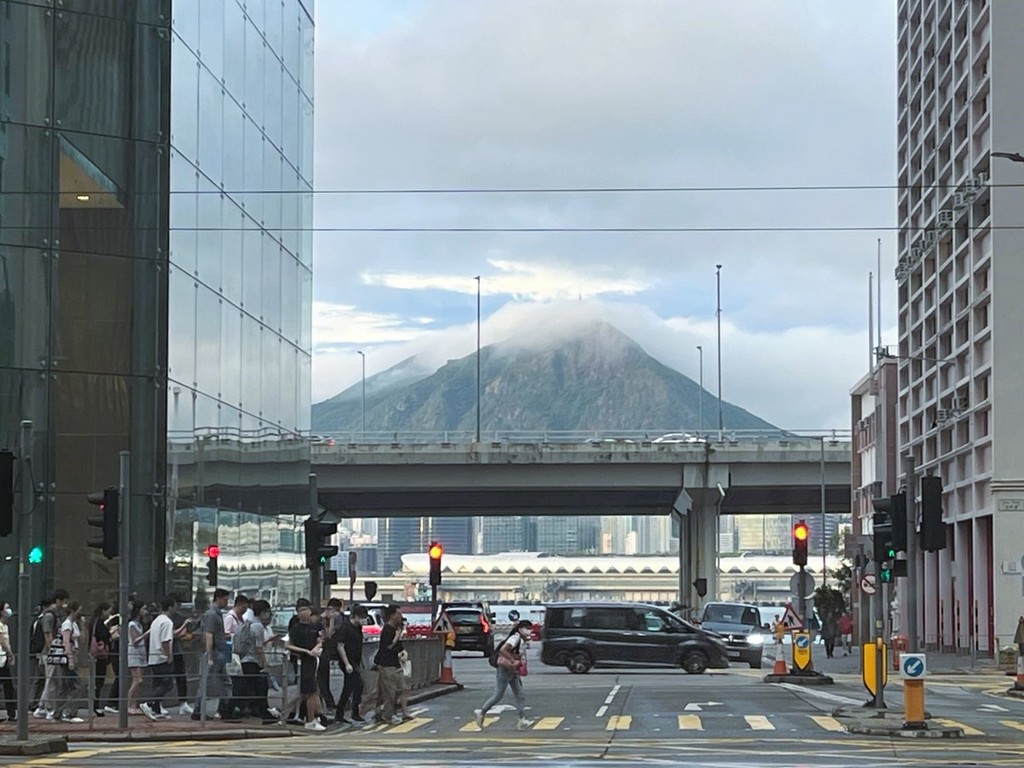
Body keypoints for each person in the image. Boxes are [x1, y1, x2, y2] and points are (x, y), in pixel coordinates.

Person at [474, 620, 536, 731]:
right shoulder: (515, 638)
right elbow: (503, 650)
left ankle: (521, 719)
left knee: (520, 694)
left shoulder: (521, 640)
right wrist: (512, 660)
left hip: (513, 670)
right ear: (520, 629)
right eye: (527, 628)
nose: (529, 631)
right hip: (505, 669)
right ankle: (482, 711)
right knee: (498, 694)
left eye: (530, 628)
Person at [284, 598, 325, 731]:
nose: (304, 612)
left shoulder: (314, 626)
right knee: (308, 693)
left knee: (308, 693)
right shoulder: (296, 629)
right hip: (303, 662)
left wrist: (317, 647)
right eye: (301, 610)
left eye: (306, 609)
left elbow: (320, 639)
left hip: (313, 661)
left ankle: (289, 717)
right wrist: (305, 651)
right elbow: (288, 645)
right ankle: (310, 720)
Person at [192, 588, 232, 721]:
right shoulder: (212, 614)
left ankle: (224, 708)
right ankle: (199, 710)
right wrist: (209, 656)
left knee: (224, 682)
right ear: (218, 598)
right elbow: (209, 635)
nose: (227, 602)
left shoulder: (216, 614)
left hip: (218, 652)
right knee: (206, 682)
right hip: (214, 653)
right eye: (225, 599)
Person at [141, 597, 175, 720]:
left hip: (153, 657)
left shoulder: (156, 620)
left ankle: (156, 709)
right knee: (167, 684)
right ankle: (149, 703)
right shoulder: (167, 622)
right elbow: (165, 641)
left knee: (157, 684)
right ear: (170, 607)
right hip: (161, 658)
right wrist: (169, 655)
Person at [370, 605, 405, 726]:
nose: (400, 616)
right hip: (386, 664)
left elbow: (398, 647)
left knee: (397, 689)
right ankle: (387, 715)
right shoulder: (387, 629)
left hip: (394, 663)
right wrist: (397, 636)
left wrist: (402, 652)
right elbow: (388, 646)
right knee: (390, 692)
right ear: (392, 615)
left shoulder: (395, 628)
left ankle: (380, 711)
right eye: (398, 614)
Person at [50, 601, 85, 723]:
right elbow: (66, 642)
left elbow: (82, 640)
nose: (81, 612)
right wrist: (70, 659)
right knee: (76, 685)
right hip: (67, 658)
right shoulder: (67, 624)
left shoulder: (74, 624)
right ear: (73, 611)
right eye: (79, 609)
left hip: (72, 655)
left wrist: (82, 625)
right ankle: (70, 712)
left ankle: (59, 713)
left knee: (65, 687)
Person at [335, 604, 368, 725]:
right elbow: (340, 646)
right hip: (348, 662)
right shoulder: (345, 628)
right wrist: (347, 663)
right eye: (362, 617)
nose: (364, 620)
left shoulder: (358, 629)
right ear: (356, 616)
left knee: (348, 688)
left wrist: (361, 663)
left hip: (355, 662)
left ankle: (341, 714)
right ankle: (353, 713)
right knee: (357, 685)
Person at [89, 603, 118, 717]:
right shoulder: (99, 623)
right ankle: (95, 706)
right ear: (103, 611)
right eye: (108, 611)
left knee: (97, 682)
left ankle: (94, 705)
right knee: (98, 681)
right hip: (99, 656)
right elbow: (103, 636)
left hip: (98, 656)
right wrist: (111, 636)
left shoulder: (95, 622)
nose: (109, 614)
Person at [317, 598, 343, 710]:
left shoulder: (337, 618)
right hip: (321, 651)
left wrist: (331, 619)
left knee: (323, 678)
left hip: (329, 650)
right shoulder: (321, 619)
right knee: (321, 679)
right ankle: (327, 702)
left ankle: (329, 702)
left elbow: (330, 634)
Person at [170, 596, 194, 716]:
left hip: (178, 650)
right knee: (165, 679)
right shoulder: (165, 619)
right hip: (168, 651)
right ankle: (156, 703)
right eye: (177, 604)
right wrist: (181, 630)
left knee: (181, 677)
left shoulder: (179, 617)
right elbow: (172, 634)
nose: (178, 607)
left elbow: (184, 633)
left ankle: (183, 703)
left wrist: (180, 632)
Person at [126, 603, 147, 715]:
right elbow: (135, 640)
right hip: (134, 653)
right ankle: (129, 704)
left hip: (141, 653)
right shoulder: (132, 624)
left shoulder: (139, 624)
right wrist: (146, 634)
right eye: (144, 609)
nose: (145, 611)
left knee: (139, 682)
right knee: (137, 680)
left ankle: (134, 704)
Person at [0, 601, 16, 721]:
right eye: (7, 608)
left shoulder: (5, 626)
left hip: (3, 659)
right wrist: (10, 653)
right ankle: (11, 713)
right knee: (7, 686)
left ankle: (11, 713)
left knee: (8, 687)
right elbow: (2, 641)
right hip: (1, 658)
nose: (9, 610)